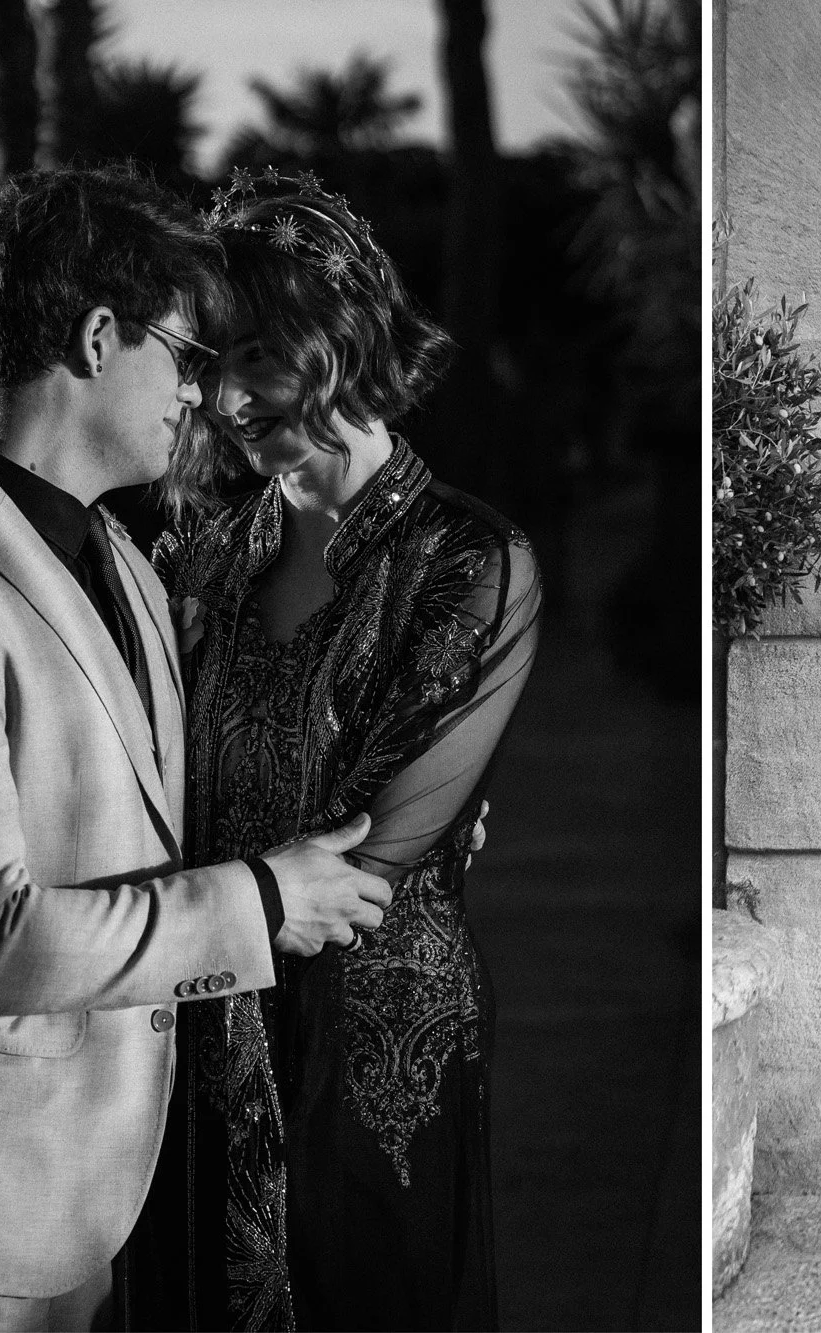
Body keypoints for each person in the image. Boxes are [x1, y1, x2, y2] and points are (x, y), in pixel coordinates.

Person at [0, 165, 396, 1332]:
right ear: (100, 339)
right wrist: (258, 905)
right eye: (185, 355)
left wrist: (389, 799)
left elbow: (150, 811)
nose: (199, 395)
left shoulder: (128, 568)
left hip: (81, 1190)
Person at [131, 170, 541, 1331]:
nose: (223, 397)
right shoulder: (197, 560)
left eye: (253, 352)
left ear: (340, 331)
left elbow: (378, 846)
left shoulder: (469, 557)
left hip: (370, 1043)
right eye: (204, 365)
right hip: (184, 1020)